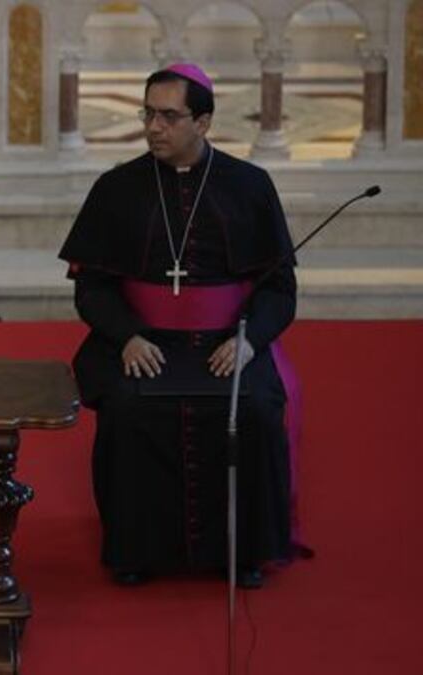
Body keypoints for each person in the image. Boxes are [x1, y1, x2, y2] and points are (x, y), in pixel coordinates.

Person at [59, 64, 302, 588]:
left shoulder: (250, 186)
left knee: (257, 410)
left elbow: (279, 289)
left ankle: (246, 550)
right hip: (143, 341)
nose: (153, 127)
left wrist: (250, 341)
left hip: (227, 342)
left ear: (205, 122)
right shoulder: (116, 188)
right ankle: (134, 548)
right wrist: (125, 334)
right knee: (126, 407)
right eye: (148, 113)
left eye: (169, 116)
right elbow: (92, 286)